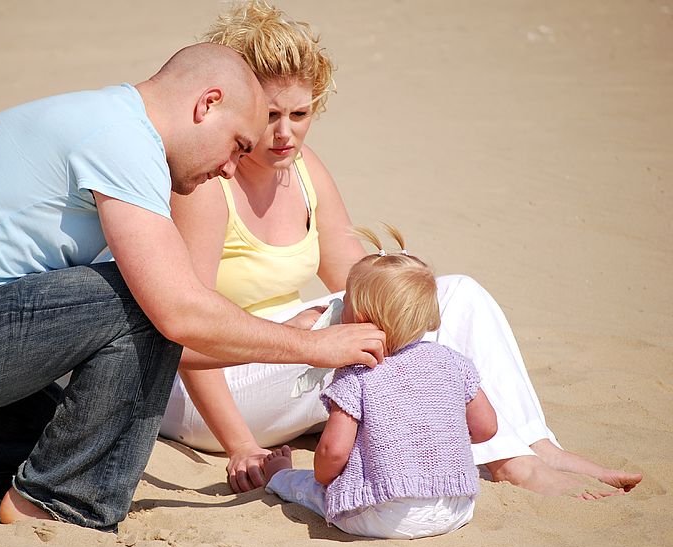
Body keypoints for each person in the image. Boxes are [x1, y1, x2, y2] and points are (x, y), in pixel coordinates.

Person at [0, 42, 387, 531]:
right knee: (150, 298)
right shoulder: (123, 139)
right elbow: (176, 314)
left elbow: (164, 337)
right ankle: (58, 506)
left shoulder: (110, 120)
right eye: (238, 145)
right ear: (206, 104)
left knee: (92, 438)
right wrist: (313, 345)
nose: (229, 169)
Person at [159, 0, 642, 498]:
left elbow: (357, 282)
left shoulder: (304, 170)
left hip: (289, 357)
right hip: (208, 392)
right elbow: (186, 334)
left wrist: (411, 302)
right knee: (350, 324)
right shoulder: (209, 181)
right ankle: (509, 463)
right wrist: (240, 445)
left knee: (455, 295)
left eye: (299, 114)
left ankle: (534, 444)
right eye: (271, 116)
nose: (286, 134)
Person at [263, 226, 498, 539]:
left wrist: (324, 478)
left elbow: (333, 452)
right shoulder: (451, 361)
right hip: (457, 507)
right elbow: (486, 427)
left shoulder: (358, 372)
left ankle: (277, 476)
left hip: (386, 513)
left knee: (310, 486)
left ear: (358, 317)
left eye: (344, 301)